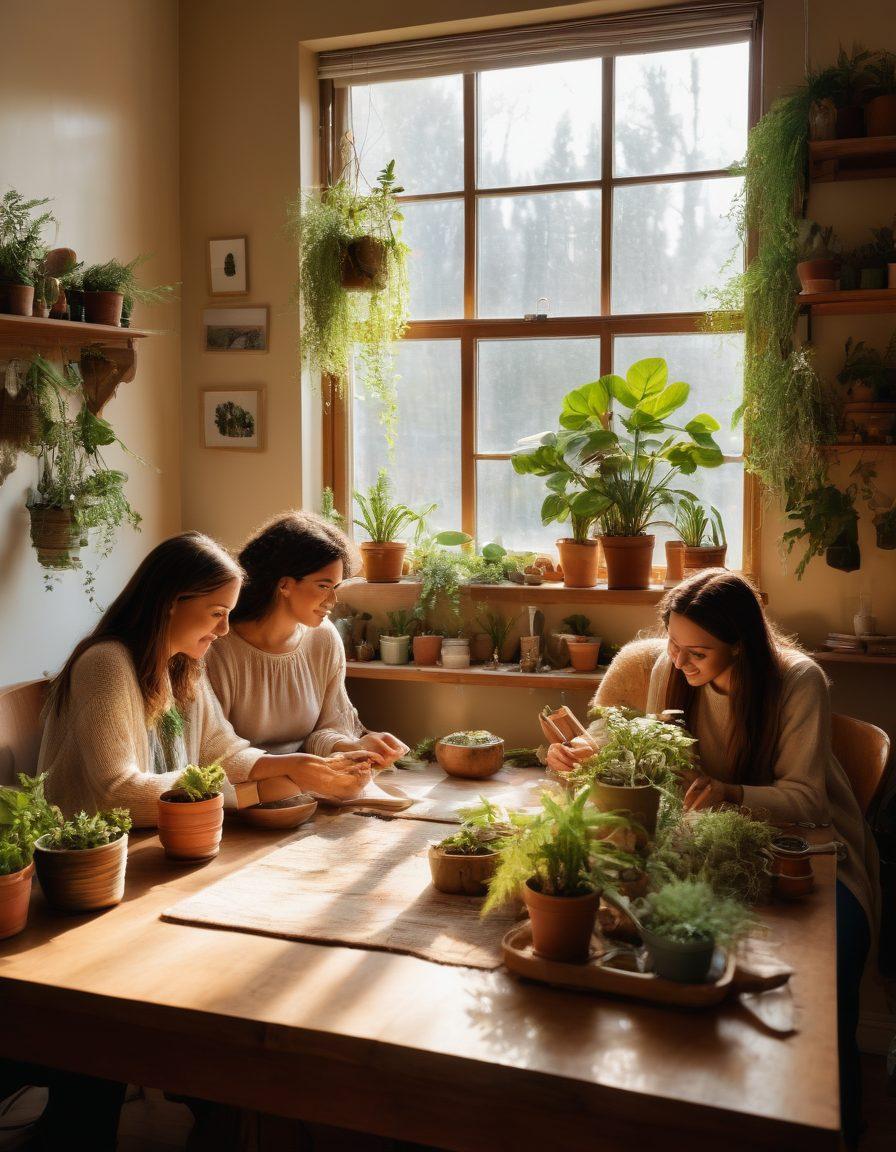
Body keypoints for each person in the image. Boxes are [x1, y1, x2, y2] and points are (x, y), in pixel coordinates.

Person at [547, 568, 878, 1147]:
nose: (678, 662)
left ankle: (834, 1121)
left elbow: (806, 800)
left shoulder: (797, 680)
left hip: (809, 844)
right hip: (705, 838)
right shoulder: (669, 670)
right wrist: (588, 752)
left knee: (828, 971)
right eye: (672, 644)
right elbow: (654, 755)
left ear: (741, 645)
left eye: (696, 652)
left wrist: (729, 793)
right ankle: (686, 1104)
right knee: (649, 942)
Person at [40, 531, 376, 823]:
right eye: (217, 613)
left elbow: (219, 750)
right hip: (90, 853)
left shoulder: (182, 664)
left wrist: (296, 766)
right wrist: (256, 791)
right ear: (171, 602)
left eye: (228, 614)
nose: (224, 629)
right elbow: (117, 793)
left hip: (158, 838)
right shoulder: (105, 664)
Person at [205, 510, 408, 766]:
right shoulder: (217, 647)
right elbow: (214, 752)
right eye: (323, 586)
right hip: (241, 785)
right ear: (284, 585)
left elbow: (325, 730)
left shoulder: (324, 638)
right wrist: (293, 770)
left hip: (308, 780)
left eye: (335, 587)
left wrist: (354, 746)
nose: (332, 600)